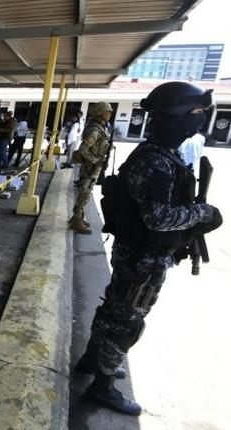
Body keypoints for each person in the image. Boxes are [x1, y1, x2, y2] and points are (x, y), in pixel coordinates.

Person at [76, 81, 223, 415]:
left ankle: (92, 360)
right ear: (177, 116)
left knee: (115, 308)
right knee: (127, 320)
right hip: (144, 257)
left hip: (136, 252)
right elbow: (158, 218)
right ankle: (104, 384)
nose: (199, 119)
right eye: (196, 113)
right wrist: (202, 214)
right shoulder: (156, 162)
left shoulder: (159, 155)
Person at [68, 103, 113, 234]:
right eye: (107, 111)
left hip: (94, 166)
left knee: (86, 191)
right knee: (85, 192)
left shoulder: (101, 127)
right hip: (91, 166)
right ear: (100, 112)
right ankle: (77, 219)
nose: (109, 114)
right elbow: (83, 149)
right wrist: (97, 160)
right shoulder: (95, 129)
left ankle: (77, 217)